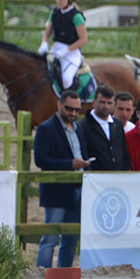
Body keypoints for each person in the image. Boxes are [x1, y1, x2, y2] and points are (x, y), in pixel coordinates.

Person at [33, 90, 90, 269]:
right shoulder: (46, 128)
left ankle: (63, 276)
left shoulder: (79, 128)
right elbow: (40, 160)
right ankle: (42, 274)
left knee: (71, 238)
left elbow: (83, 154)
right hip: (56, 189)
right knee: (50, 237)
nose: (73, 113)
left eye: (77, 110)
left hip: (78, 188)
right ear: (59, 105)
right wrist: (70, 164)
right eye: (69, 109)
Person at [42, 0, 88, 96]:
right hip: (56, 48)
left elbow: (83, 40)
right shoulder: (55, 13)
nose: (58, 1)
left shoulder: (76, 16)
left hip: (72, 52)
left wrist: (66, 50)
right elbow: (48, 33)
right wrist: (44, 44)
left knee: (67, 79)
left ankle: (71, 103)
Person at [79, 86, 128, 170]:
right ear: (94, 103)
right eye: (102, 102)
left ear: (114, 104)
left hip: (118, 178)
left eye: (109, 103)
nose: (106, 106)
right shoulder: (83, 125)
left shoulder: (118, 124)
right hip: (95, 179)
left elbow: (123, 153)